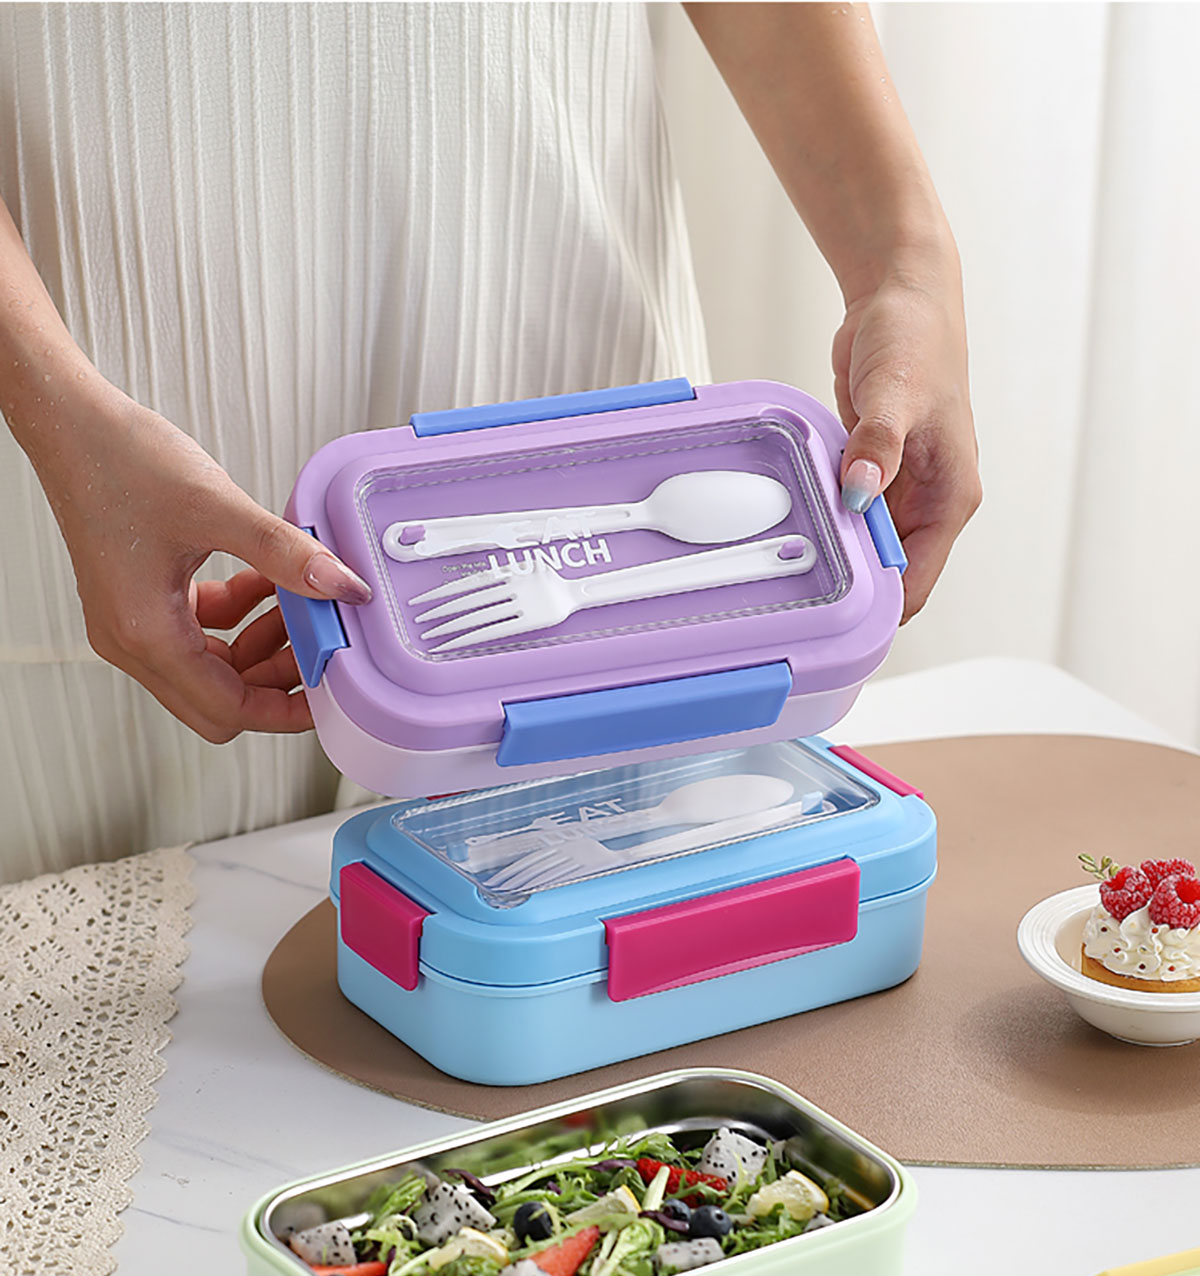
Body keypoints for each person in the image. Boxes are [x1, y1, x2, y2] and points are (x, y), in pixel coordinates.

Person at [0, 1, 979, 883]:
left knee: (625, 898)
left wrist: (906, 264)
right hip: (100, 429)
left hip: (581, 356)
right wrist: (65, 417)